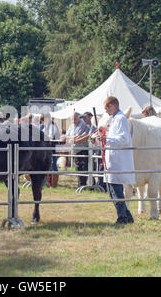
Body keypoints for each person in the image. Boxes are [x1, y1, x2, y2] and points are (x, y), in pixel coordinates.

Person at [95, 96, 135, 225]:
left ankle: (122, 218)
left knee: (116, 191)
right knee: (113, 192)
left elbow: (124, 140)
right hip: (113, 160)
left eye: (106, 107)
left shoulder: (121, 119)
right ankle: (127, 217)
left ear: (112, 106)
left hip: (118, 161)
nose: (105, 110)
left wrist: (106, 139)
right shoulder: (115, 119)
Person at [61, 112, 90, 187]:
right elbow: (66, 136)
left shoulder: (82, 125)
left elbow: (76, 137)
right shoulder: (71, 126)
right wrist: (70, 137)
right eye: (72, 119)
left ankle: (83, 185)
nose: (73, 120)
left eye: (75, 119)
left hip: (82, 149)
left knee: (83, 168)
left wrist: (70, 137)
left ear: (78, 118)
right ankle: (80, 185)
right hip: (75, 150)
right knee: (78, 168)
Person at [40, 113, 60, 187]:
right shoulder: (44, 126)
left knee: (53, 166)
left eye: (43, 120)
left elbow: (50, 137)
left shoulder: (52, 126)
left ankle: (54, 184)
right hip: (45, 148)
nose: (42, 122)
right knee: (46, 166)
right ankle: (47, 183)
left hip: (51, 149)